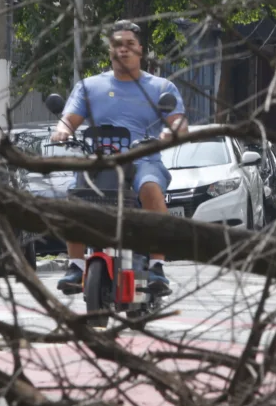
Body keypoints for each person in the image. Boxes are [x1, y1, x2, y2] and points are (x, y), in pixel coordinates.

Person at [51, 20, 187, 296]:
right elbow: (68, 120)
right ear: (109, 51)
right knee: (74, 198)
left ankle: (157, 267)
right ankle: (76, 265)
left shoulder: (161, 87)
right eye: (117, 45)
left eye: (130, 45)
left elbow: (177, 122)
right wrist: (63, 131)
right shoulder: (89, 87)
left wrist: (172, 132)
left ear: (141, 50)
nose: (123, 50)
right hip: (99, 161)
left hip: (143, 161)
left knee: (150, 188)